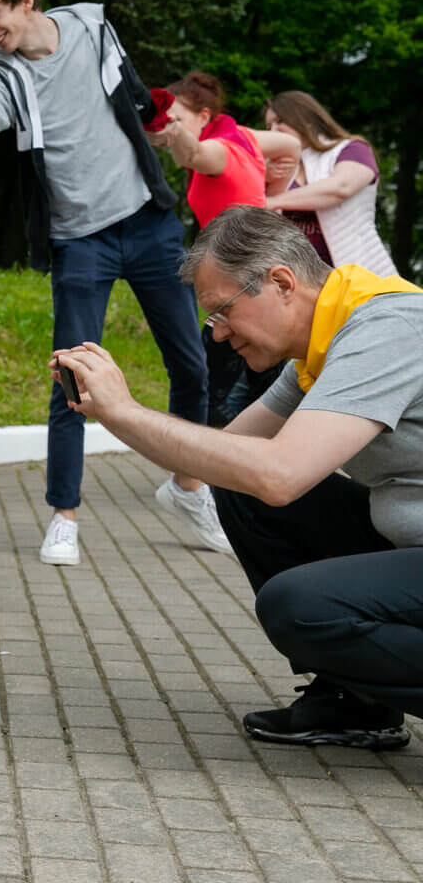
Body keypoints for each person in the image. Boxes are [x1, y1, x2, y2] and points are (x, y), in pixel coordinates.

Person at [54, 204, 423, 749]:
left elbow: (280, 474)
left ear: (280, 282)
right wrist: (111, 411)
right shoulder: (321, 346)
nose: (218, 335)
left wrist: (127, 412)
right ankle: (358, 702)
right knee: (241, 488)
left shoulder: (387, 330)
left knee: (297, 605)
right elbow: (229, 455)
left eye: (223, 311)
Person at [0, 0, 220, 565]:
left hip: (150, 223)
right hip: (81, 241)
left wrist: (159, 126)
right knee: (73, 380)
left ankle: (189, 487)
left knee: (193, 365)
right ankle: (64, 516)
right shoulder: (0, 71)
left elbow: (129, 96)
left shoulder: (90, 23)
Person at [148, 72, 300, 426]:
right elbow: (291, 147)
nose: (173, 127)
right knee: (260, 388)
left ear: (203, 117)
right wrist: (273, 188)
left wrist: (175, 134)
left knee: (210, 392)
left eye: (179, 119)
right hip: (259, 272)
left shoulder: (218, 152)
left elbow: (195, 152)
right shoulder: (244, 138)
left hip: (242, 283)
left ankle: (216, 471)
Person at [263, 90, 398, 276]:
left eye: (280, 122)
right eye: (269, 126)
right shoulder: (273, 166)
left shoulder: (352, 149)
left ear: (305, 119)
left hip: (357, 273)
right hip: (299, 281)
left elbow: (340, 188)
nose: (273, 132)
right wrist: (265, 178)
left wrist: (275, 201)